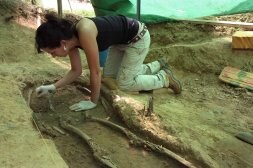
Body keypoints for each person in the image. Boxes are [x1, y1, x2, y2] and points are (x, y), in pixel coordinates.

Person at [35, 13, 182, 112]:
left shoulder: (84, 31)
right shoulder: (70, 40)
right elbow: (76, 71)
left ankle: (164, 78)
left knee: (125, 83)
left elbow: (95, 71)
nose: (53, 56)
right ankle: (155, 65)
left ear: (62, 43)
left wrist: (93, 101)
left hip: (138, 39)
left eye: (52, 52)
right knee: (110, 78)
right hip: (120, 42)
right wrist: (52, 87)